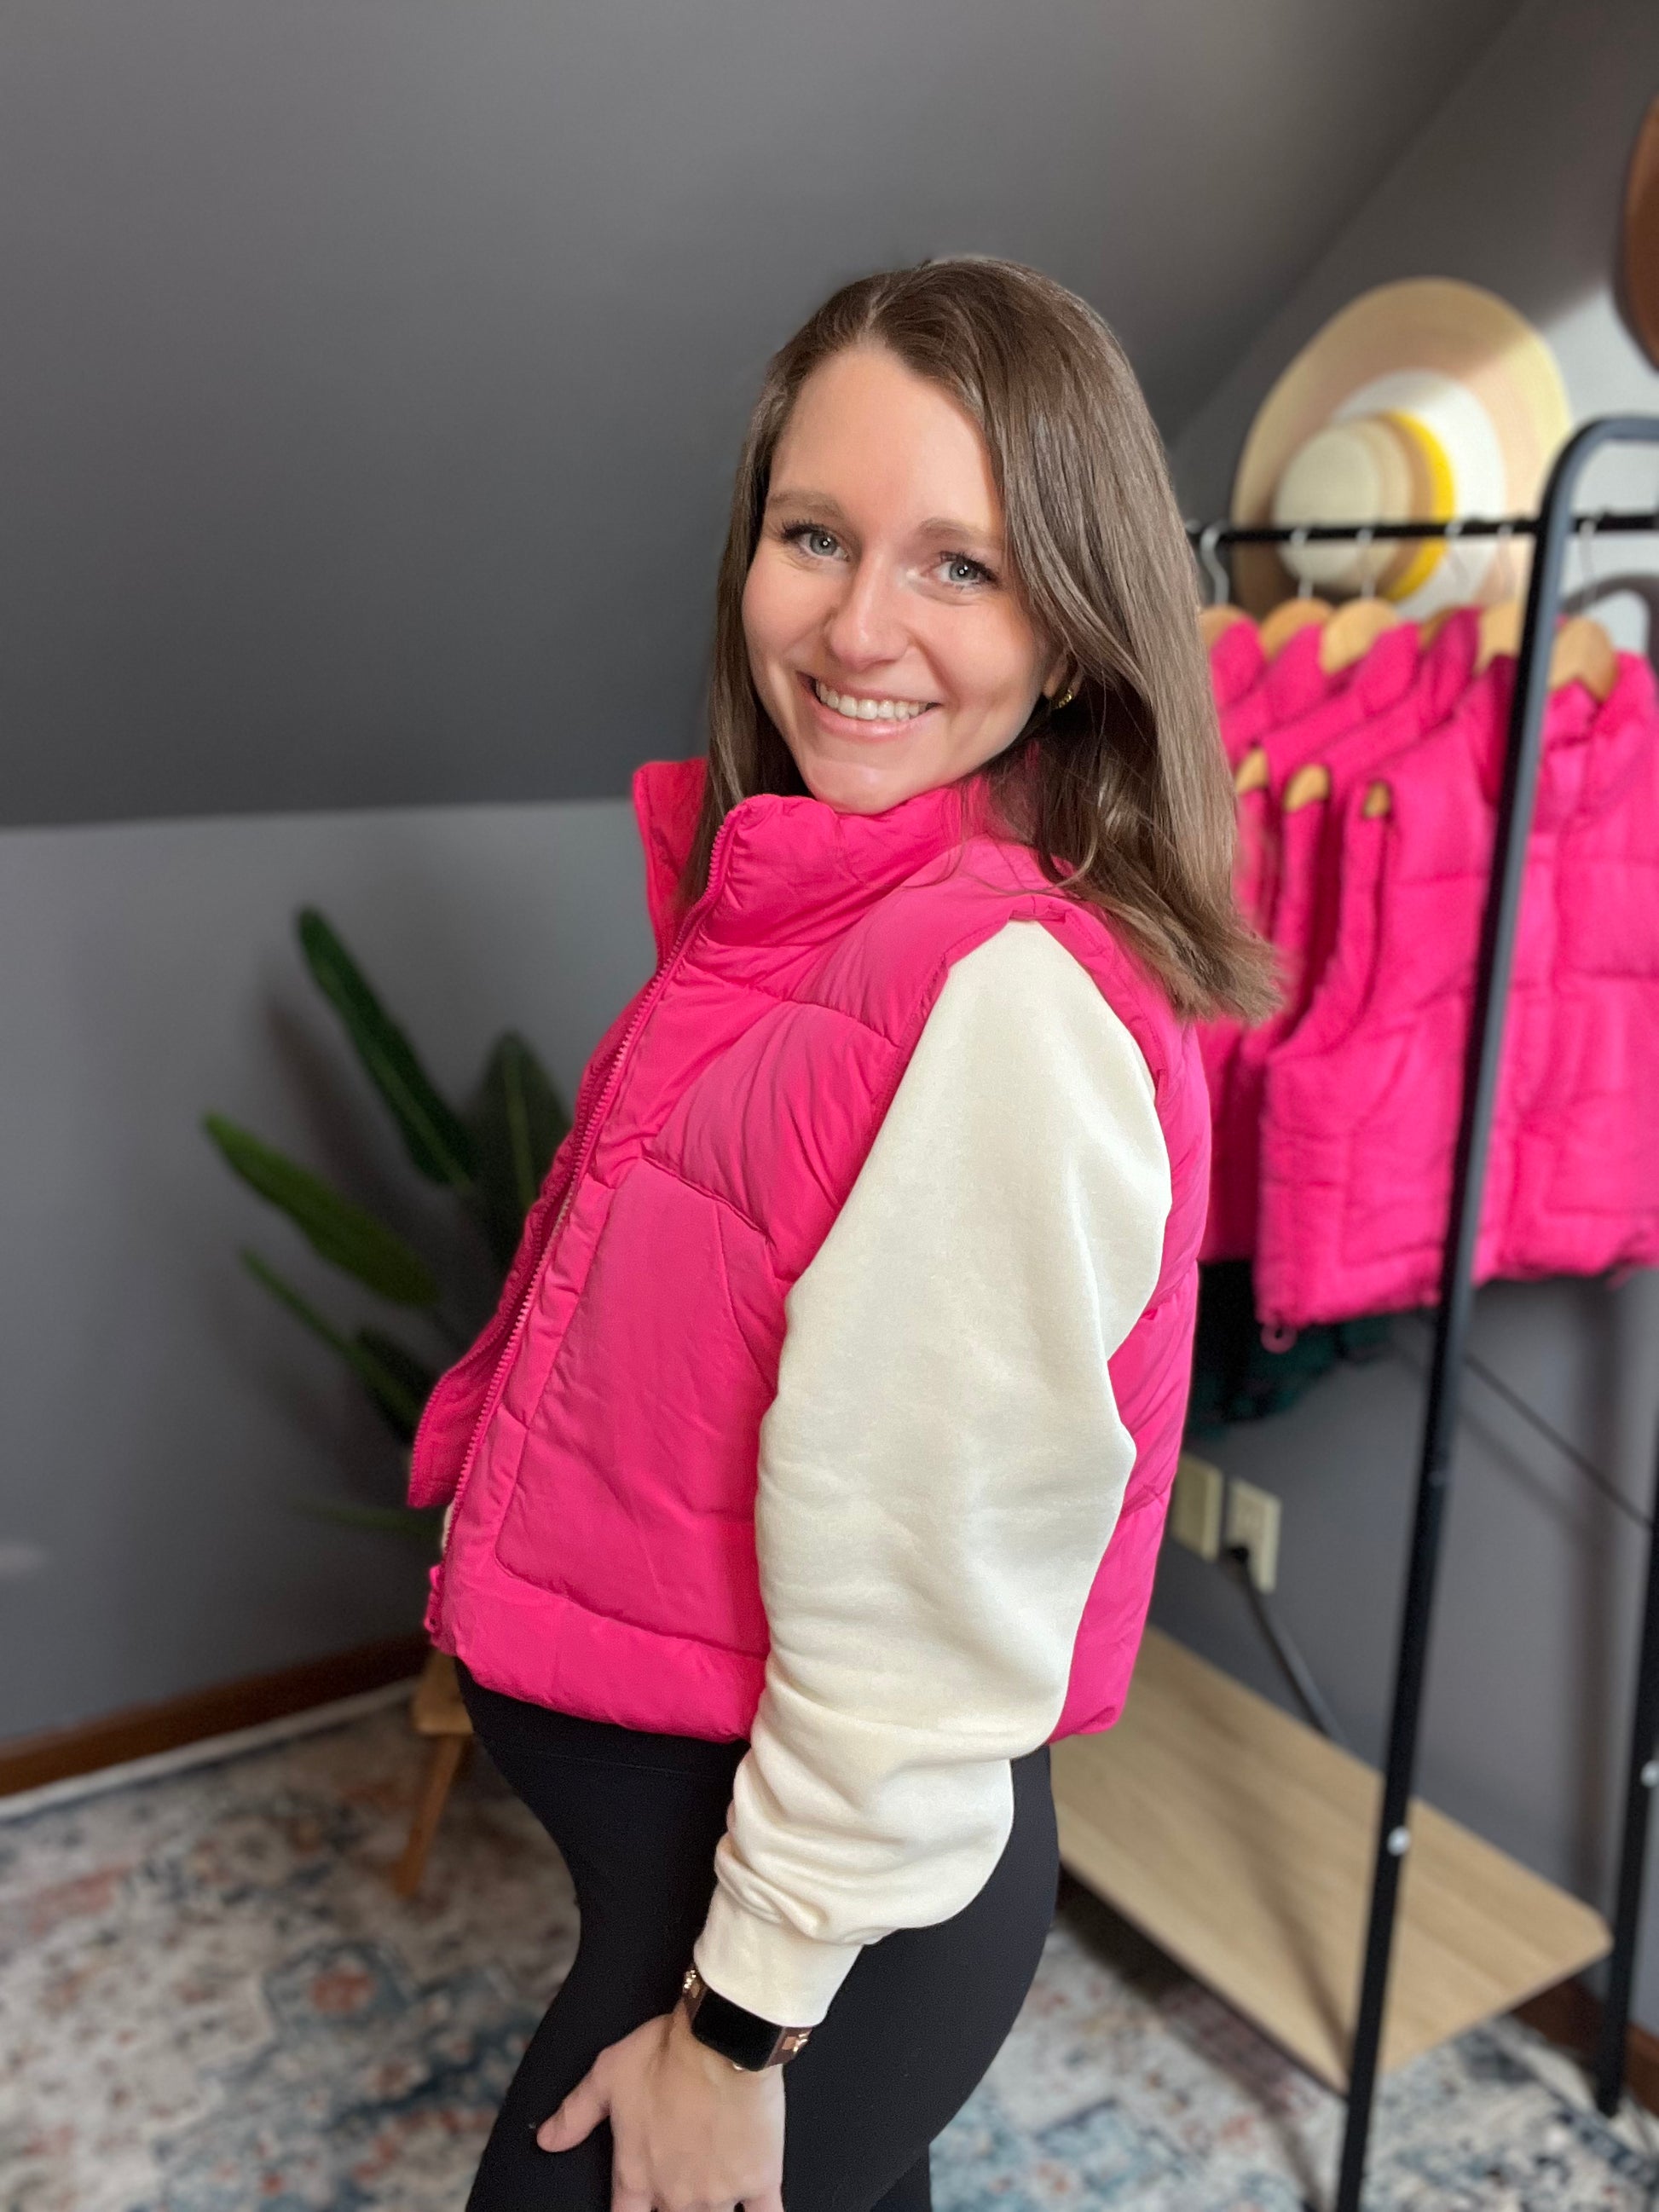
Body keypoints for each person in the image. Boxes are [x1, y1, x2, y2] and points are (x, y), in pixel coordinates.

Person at [407, 255, 1273, 2212]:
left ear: (1073, 631)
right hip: (748, 1883)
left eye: (958, 565)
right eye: (816, 534)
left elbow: (918, 1591)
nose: (858, 623)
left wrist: (736, 2024)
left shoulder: (998, 1003)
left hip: (802, 1931)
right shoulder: (809, 909)